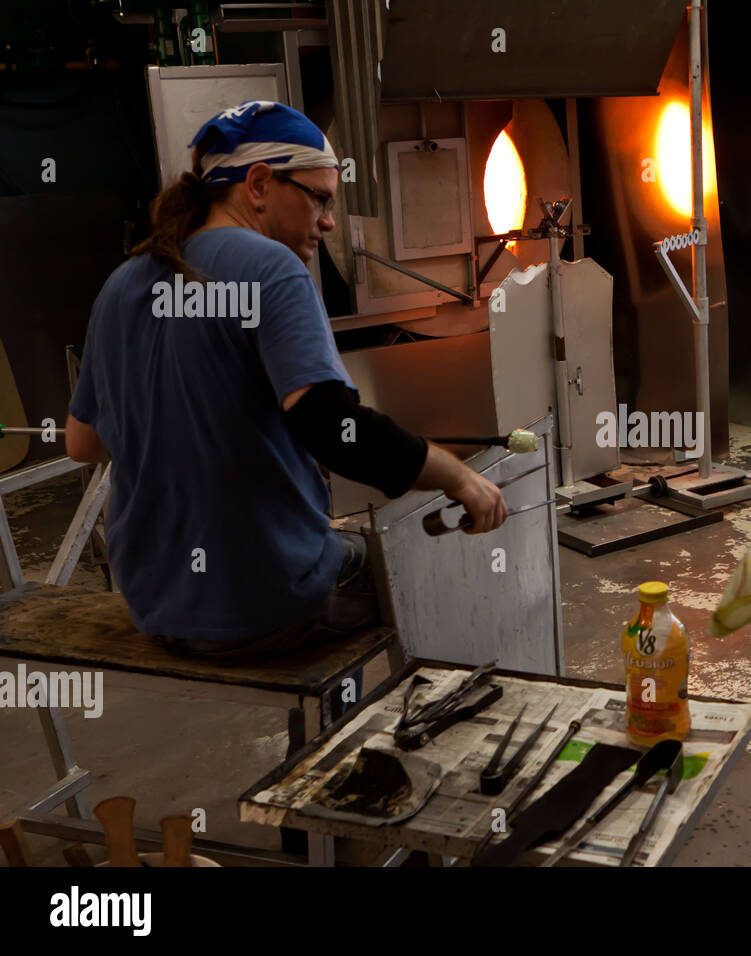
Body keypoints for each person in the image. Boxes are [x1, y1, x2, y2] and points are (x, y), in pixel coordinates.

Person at [65, 100, 507, 660]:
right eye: (320, 199)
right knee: (439, 563)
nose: (327, 221)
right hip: (264, 604)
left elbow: (84, 443)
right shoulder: (273, 269)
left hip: (156, 604)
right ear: (257, 185)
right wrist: (457, 476)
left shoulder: (123, 281)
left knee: (349, 545)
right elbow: (330, 425)